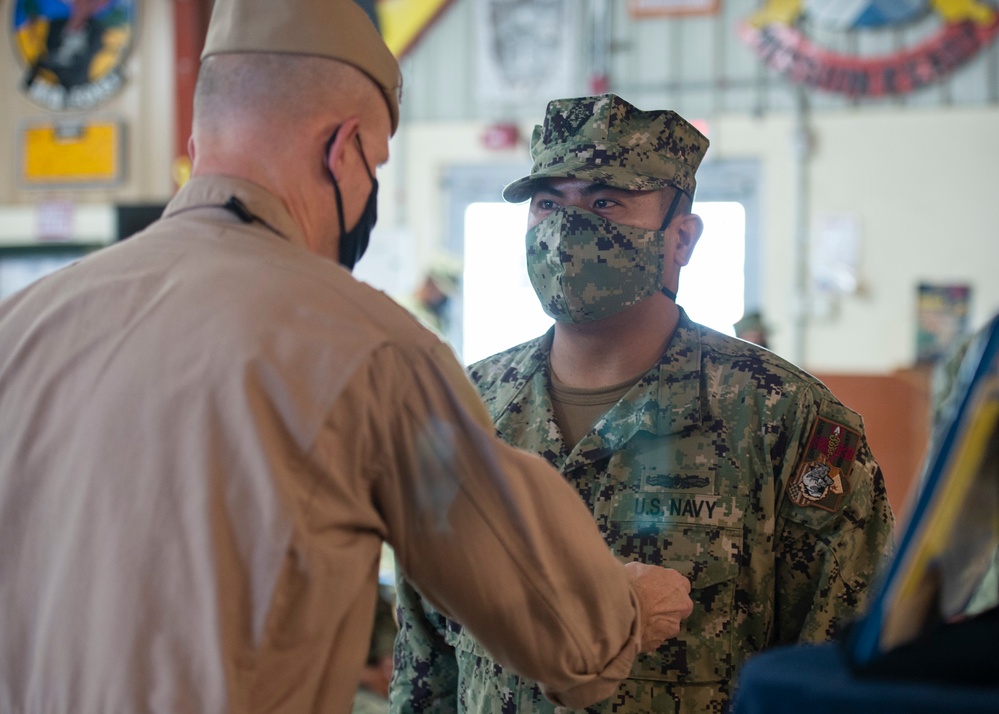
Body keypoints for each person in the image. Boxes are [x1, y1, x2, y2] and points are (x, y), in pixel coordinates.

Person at [0, 8, 695, 714]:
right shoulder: (367, 349)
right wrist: (631, 604)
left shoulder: (24, 325)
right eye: (379, 164)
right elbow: (568, 638)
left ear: (198, 139)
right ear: (344, 149)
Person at [390, 94, 896, 713]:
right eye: (549, 204)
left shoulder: (780, 420)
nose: (567, 229)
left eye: (606, 202)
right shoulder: (461, 410)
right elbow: (425, 664)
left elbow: (839, 673)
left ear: (681, 239)